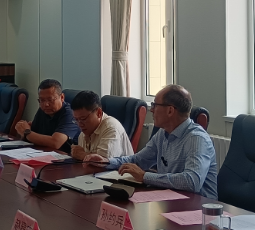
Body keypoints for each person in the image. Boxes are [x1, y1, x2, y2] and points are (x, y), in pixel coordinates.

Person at [84, 84, 218, 199]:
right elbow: (138, 160)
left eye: (155, 105)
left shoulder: (197, 139)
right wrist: (106, 162)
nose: (151, 110)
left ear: (170, 110)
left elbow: (192, 181)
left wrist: (144, 176)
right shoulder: (163, 133)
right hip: (170, 199)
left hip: (199, 209)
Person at [14, 79, 80, 153]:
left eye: (50, 100)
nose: (46, 104)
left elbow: (55, 143)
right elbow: (32, 136)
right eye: (42, 100)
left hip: (65, 157)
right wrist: (23, 130)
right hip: (43, 153)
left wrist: (26, 132)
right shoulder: (43, 110)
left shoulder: (70, 114)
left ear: (62, 97)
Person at [70, 91, 133, 159]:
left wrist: (82, 155)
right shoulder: (84, 132)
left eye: (83, 119)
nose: (79, 124)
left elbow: (104, 162)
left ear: (99, 113)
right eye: (76, 119)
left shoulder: (111, 128)